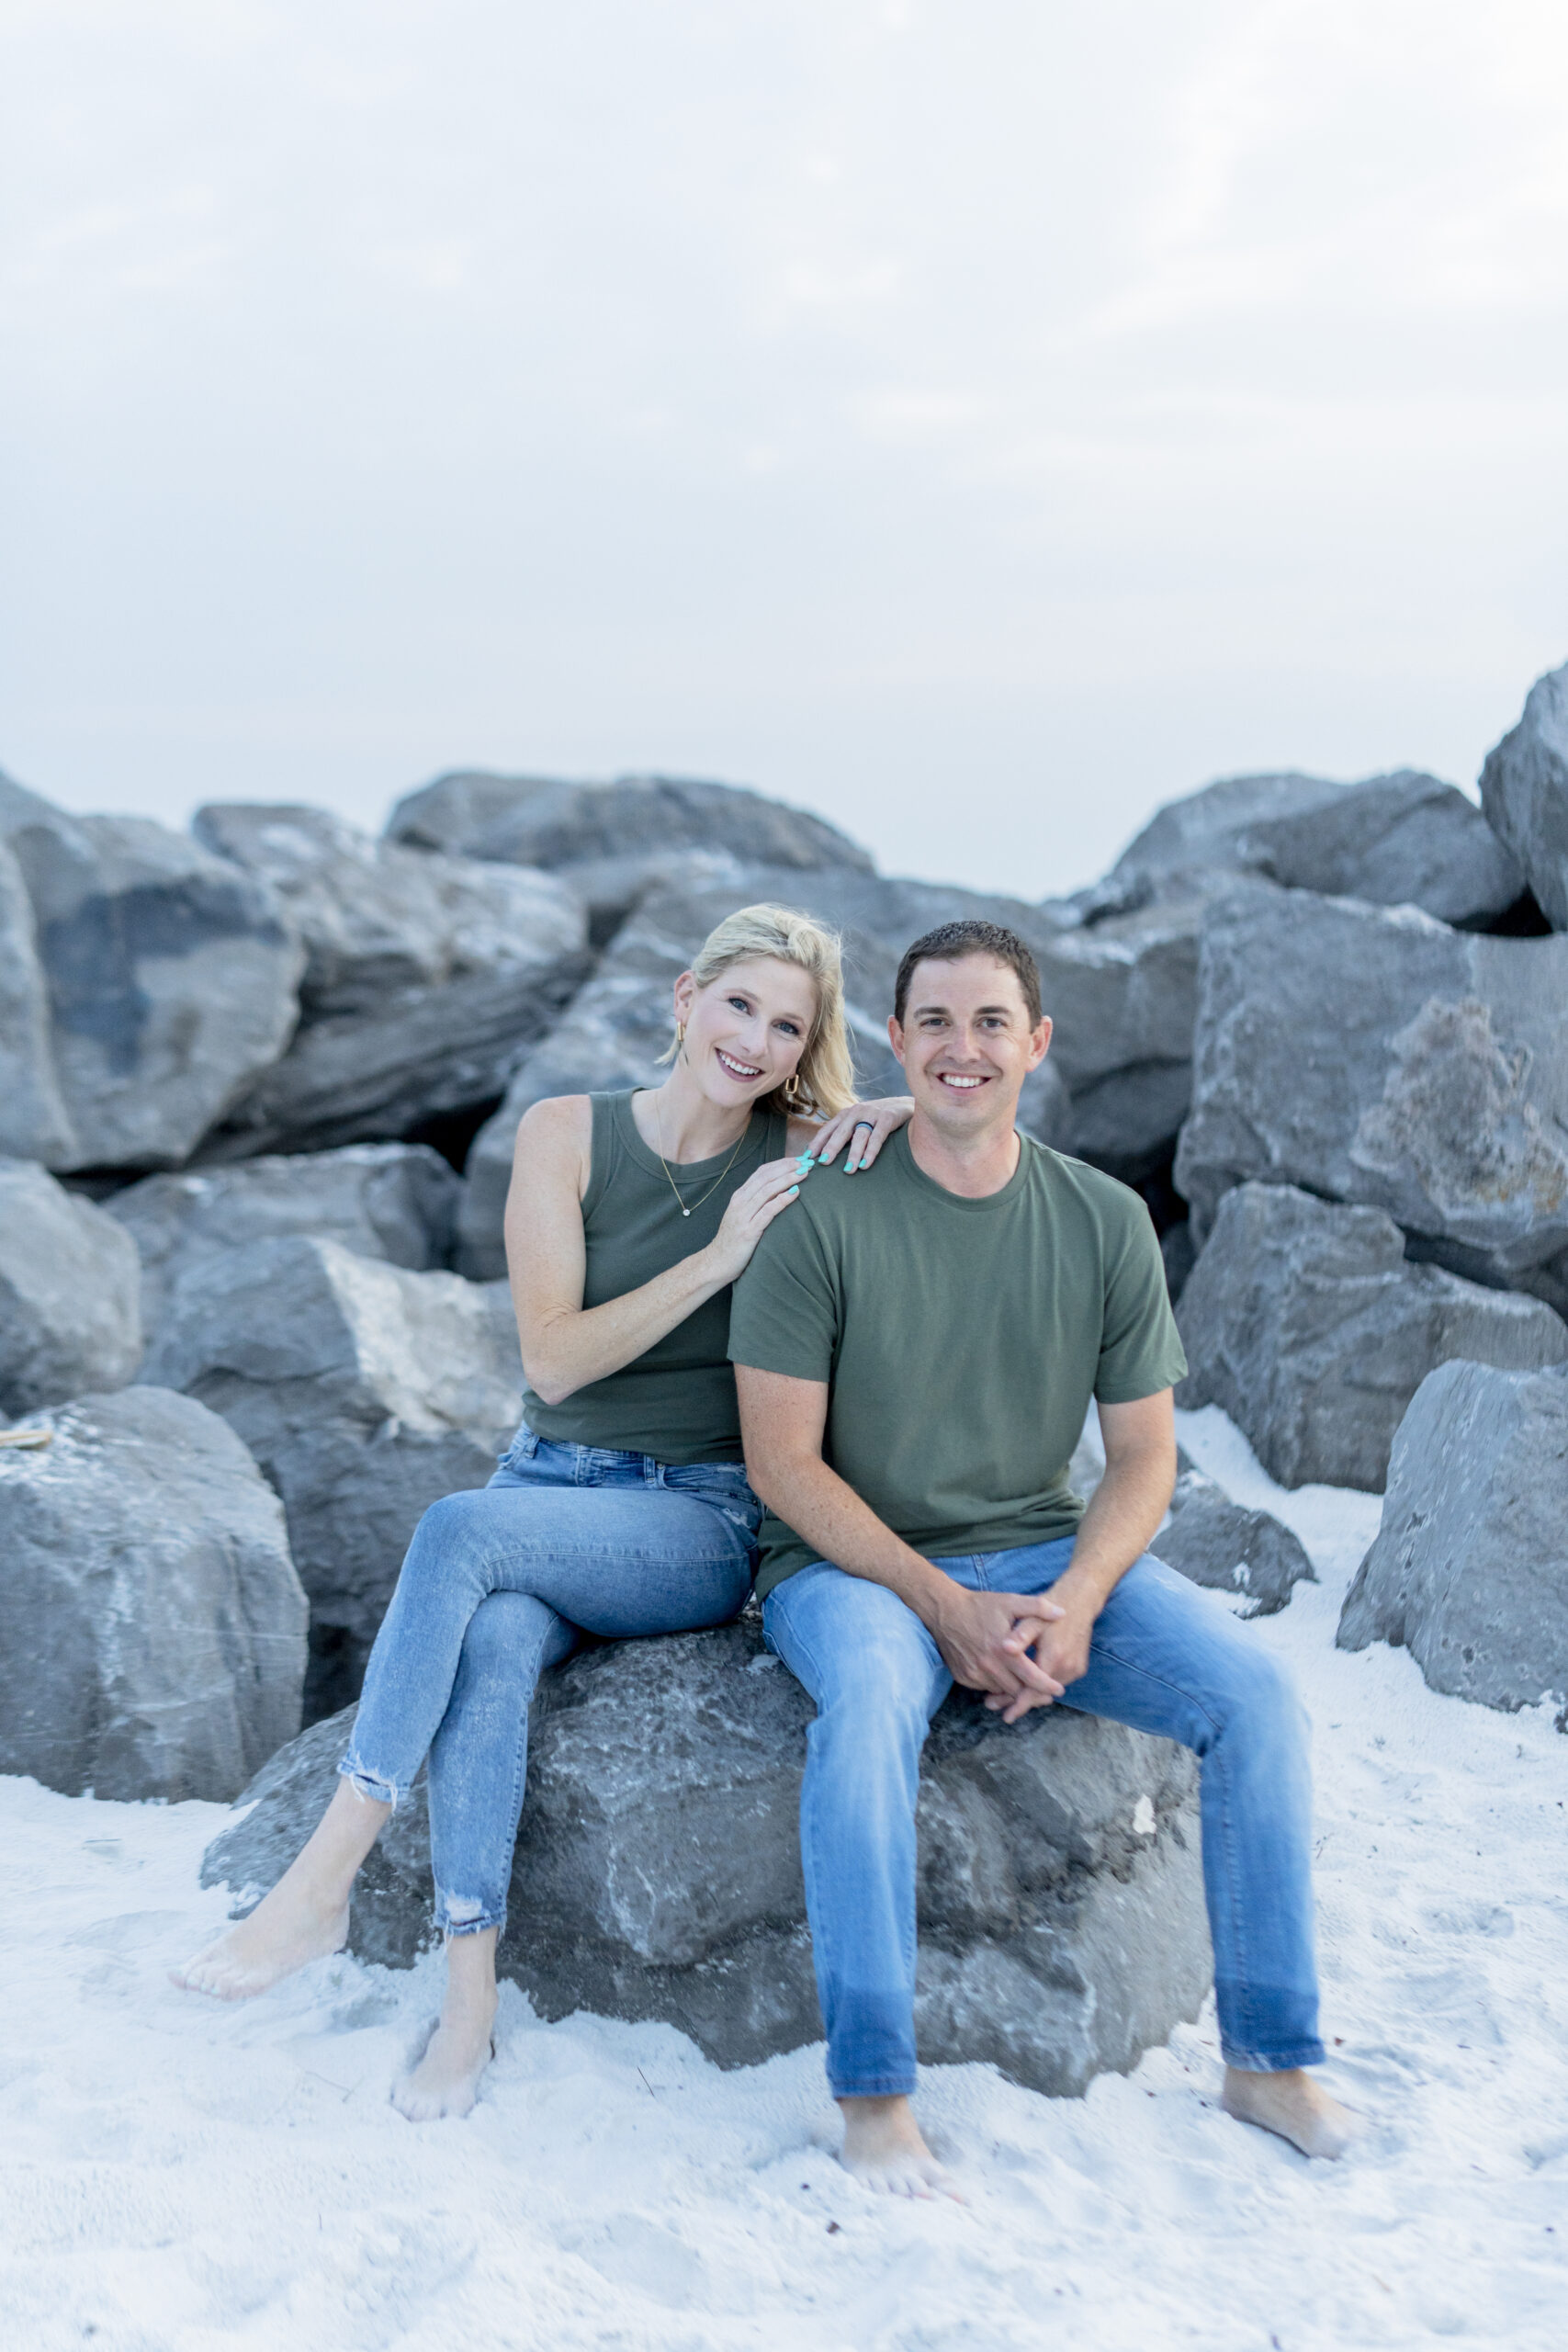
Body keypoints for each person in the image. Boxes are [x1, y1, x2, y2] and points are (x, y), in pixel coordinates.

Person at [175, 902, 913, 2121]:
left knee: (454, 1531)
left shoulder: (800, 1153)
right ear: (684, 996)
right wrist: (717, 1257)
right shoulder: (564, 1134)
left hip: (697, 1521)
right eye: (740, 1005)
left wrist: (878, 1108)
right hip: (549, 1490)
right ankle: (470, 1997)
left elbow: (949, 1128)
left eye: (790, 1027)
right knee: (498, 1638)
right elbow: (556, 1362)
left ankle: (321, 1880)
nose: (757, 1040)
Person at [728, 918, 1357, 2198]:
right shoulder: (818, 1213)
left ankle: (1269, 2061)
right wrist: (946, 1607)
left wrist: (1072, 1602)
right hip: (848, 1566)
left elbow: (1140, 1461)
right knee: (866, 1721)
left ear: (1039, 1044)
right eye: (937, 1025)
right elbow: (783, 1466)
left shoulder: (1104, 1218)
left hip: (1039, 1544)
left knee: (1255, 1697)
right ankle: (875, 2092)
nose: (965, 1049)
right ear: (894, 1045)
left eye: (992, 1023)